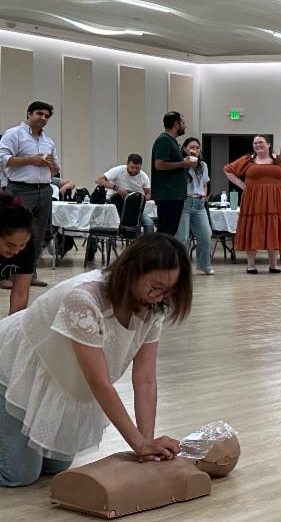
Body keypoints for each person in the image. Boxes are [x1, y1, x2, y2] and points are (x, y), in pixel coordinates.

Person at [0, 234, 191, 487]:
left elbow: (145, 380)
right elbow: (99, 382)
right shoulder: (83, 299)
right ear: (131, 270)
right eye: (155, 287)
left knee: (55, 467)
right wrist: (139, 444)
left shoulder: (152, 306)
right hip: (12, 363)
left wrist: (147, 444)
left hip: (59, 373)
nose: (158, 297)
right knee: (19, 475)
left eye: (167, 291)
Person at [0, 101, 59, 272]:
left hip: (45, 190)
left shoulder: (49, 141)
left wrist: (52, 166)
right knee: (14, 233)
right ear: (29, 114)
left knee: (37, 236)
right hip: (20, 189)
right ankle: (8, 274)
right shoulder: (14, 134)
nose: (43, 118)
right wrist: (31, 160)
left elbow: (56, 170)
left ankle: (29, 274)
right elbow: (3, 159)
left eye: (46, 116)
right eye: (39, 113)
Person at [224, 135, 281, 274]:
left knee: (273, 228)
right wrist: (241, 184)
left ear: (269, 144)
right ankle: (251, 265)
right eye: (255, 143)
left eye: (261, 142)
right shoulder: (248, 160)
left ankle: (273, 264)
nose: (257, 145)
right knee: (252, 228)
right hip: (253, 200)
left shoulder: (279, 160)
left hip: (275, 200)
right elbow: (228, 170)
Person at [150, 111, 195, 237]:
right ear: (176, 124)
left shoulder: (173, 141)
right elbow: (159, 164)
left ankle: (163, 250)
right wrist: (183, 164)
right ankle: (158, 250)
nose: (185, 126)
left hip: (175, 194)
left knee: (170, 231)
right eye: (183, 123)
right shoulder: (164, 140)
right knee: (166, 231)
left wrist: (184, 163)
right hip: (168, 194)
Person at [176, 138, 213, 276]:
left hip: (199, 203)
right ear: (185, 148)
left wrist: (204, 194)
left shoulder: (202, 165)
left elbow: (205, 183)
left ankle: (204, 265)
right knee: (183, 238)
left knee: (205, 235)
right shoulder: (181, 164)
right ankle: (182, 267)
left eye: (197, 147)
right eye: (191, 147)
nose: (195, 150)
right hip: (185, 202)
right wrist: (185, 164)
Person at [0, 193, 35, 314]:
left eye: (22, 245)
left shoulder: (28, 247)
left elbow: (20, 293)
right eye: (10, 245)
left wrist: (12, 323)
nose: (16, 251)